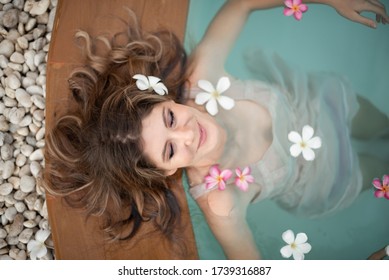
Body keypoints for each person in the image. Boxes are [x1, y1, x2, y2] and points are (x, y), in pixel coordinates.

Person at [45, 0, 389, 259]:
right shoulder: (222, 202)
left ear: (164, 98)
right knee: (383, 172)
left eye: (169, 119)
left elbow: (241, 5)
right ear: (165, 171)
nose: (188, 134)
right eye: (170, 150)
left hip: (320, 105)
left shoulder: (203, 80)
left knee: (383, 125)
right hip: (326, 175)